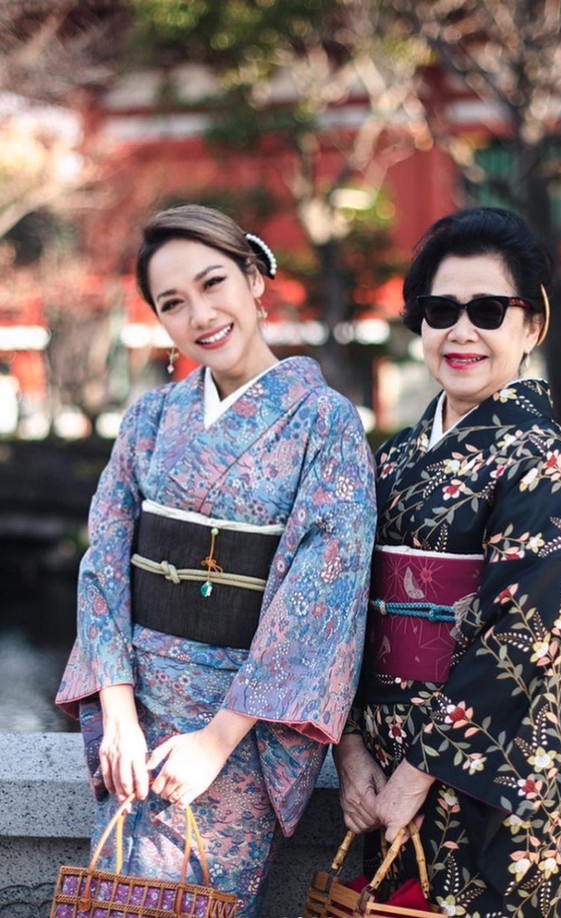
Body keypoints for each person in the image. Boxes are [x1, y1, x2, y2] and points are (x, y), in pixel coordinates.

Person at [56, 203, 376, 917]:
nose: (200, 314)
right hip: (135, 711)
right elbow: (103, 563)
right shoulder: (148, 419)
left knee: (199, 900)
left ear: (255, 278)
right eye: (173, 302)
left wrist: (217, 739)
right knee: (114, 893)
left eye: (213, 283)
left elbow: (319, 595)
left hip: (239, 725)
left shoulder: (326, 424)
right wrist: (116, 710)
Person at [333, 206, 561, 918]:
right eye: (441, 310)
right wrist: (349, 750)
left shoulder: (545, 462)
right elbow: (338, 603)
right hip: (379, 765)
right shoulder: (397, 456)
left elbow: (532, 637)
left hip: (479, 780)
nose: (461, 331)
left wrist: (415, 776)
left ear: (533, 326)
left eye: (489, 310)